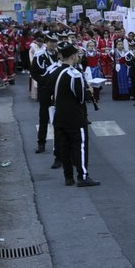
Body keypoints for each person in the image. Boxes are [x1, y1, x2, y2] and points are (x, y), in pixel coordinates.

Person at [52, 44, 98, 187]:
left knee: (64, 146)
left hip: (59, 115)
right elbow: (81, 97)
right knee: (80, 146)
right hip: (74, 116)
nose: (78, 57)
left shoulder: (54, 71)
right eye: (77, 55)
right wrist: (90, 90)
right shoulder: (74, 73)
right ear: (72, 56)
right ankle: (83, 176)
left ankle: (68, 177)